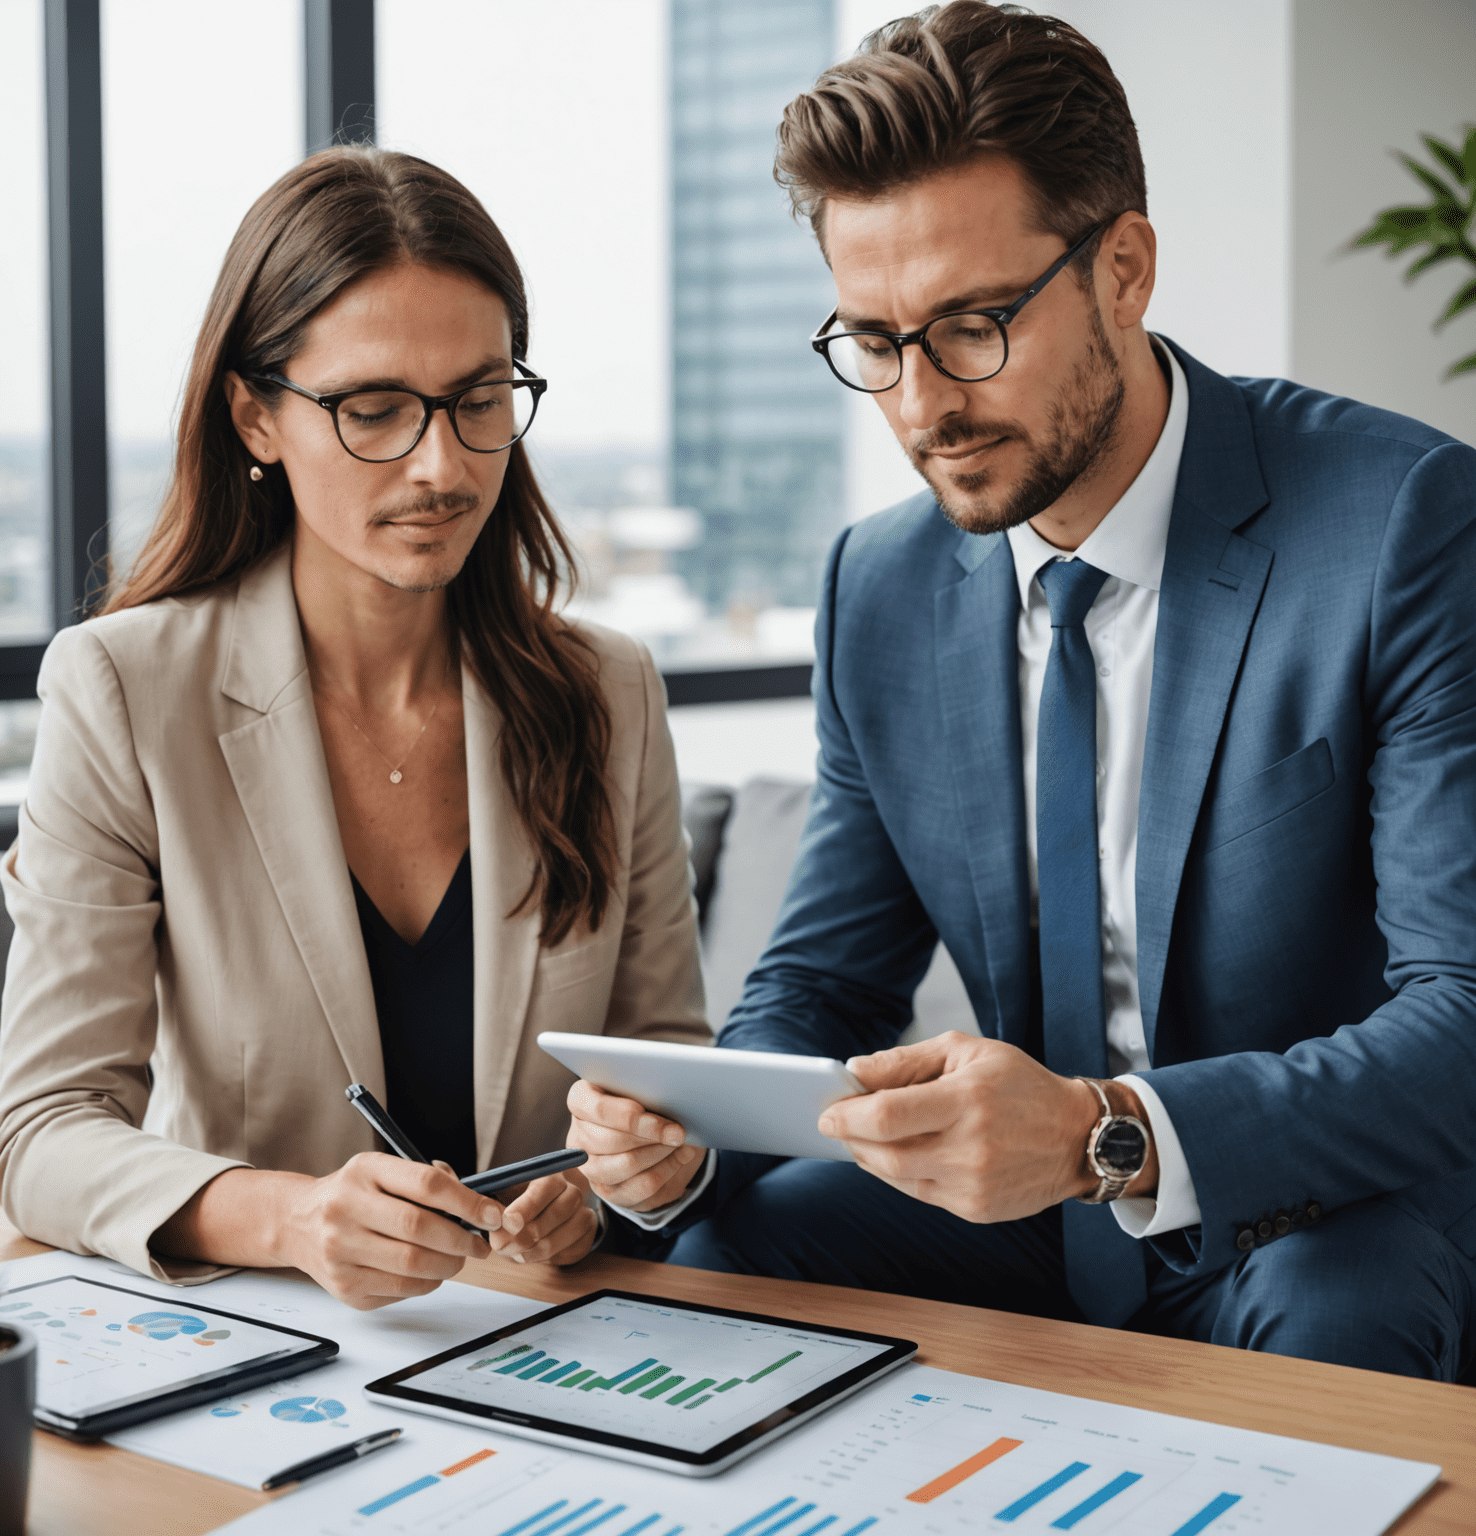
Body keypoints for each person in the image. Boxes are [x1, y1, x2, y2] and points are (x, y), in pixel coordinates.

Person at [568, 2, 1476, 1380]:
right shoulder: (876, 585)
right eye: (872, 340)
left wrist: (1107, 1130)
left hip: (1328, 1205)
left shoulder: (1402, 521)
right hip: (1034, 1218)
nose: (923, 405)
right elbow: (821, 981)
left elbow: (1459, 1011)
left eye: (973, 326)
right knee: (720, 1265)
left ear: (1125, 269)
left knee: (1332, 1336)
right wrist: (692, 1134)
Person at [0, 147, 709, 1309]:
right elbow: (44, 1132)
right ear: (255, 417)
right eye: (374, 411)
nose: (443, 464)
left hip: (544, 1346)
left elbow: (668, 1077)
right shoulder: (122, 689)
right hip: (262, 1342)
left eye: (480, 402)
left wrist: (634, 1177)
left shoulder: (607, 691)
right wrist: (293, 1216)